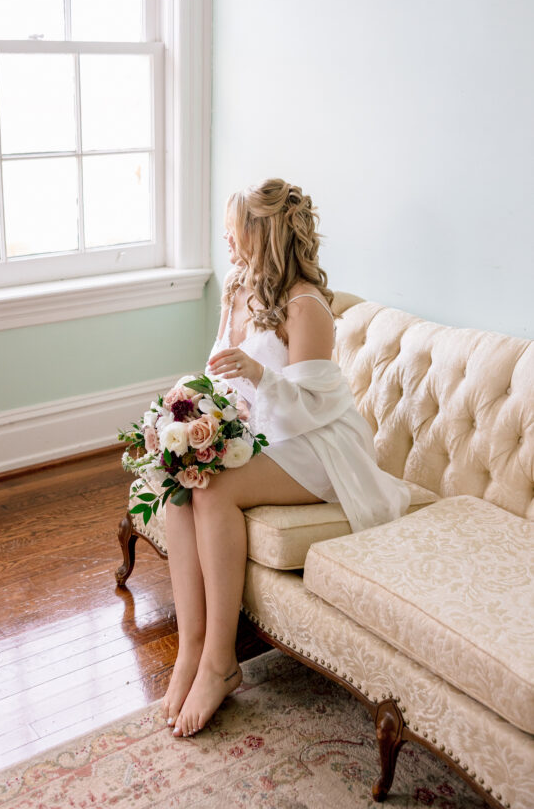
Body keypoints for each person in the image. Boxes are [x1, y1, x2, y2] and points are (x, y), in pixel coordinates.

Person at [162, 178, 411, 740]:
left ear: (263, 234)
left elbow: (311, 410)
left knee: (214, 487)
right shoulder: (237, 288)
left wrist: (258, 376)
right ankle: (191, 648)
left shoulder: (306, 307)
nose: (226, 241)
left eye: (234, 231)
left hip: (319, 446)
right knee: (181, 478)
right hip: (263, 436)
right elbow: (221, 373)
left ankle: (221, 662)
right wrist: (195, 404)